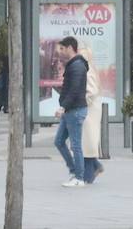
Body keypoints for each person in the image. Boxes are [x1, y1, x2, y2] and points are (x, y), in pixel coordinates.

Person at [52, 36, 90, 188]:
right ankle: (74, 171)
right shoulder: (73, 65)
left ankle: (79, 177)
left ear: (70, 48)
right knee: (59, 141)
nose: (61, 52)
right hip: (71, 110)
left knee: (75, 145)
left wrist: (63, 107)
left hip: (75, 110)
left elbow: (74, 90)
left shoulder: (77, 66)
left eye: (63, 49)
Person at [81, 45, 104, 185]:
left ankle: (88, 175)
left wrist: (81, 102)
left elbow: (91, 91)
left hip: (89, 111)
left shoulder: (87, 71)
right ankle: (95, 166)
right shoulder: (90, 69)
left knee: (87, 144)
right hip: (90, 110)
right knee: (88, 143)